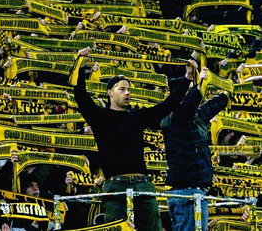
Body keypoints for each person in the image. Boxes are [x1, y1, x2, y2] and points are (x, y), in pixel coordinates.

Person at [73, 49, 193, 231]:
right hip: (115, 186)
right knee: (116, 228)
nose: (127, 92)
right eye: (122, 89)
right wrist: (80, 64)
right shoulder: (99, 117)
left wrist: (187, 79)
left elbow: (167, 105)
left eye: (129, 89)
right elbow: (80, 94)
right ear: (110, 93)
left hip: (142, 183)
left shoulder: (137, 116)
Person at [161, 67, 228, 231]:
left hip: (193, 193)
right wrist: (198, 87)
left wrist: (226, 89)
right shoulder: (175, 117)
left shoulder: (194, 116)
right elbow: (189, 105)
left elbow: (212, 105)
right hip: (187, 195)